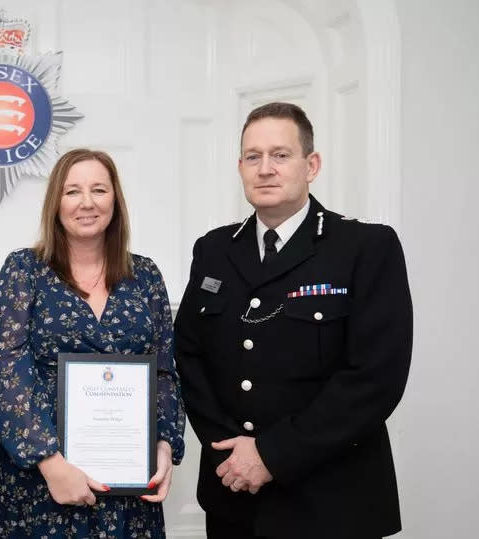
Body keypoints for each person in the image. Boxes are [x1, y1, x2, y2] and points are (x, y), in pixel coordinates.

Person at [174, 102, 413, 539]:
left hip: (332, 502)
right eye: (253, 156)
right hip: (234, 498)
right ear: (241, 167)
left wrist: (270, 454)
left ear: (311, 164)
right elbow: (189, 357)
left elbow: (375, 378)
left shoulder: (364, 247)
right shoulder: (213, 250)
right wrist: (235, 454)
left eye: (280, 155)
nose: (265, 168)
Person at [0, 149, 186, 537]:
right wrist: (51, 464)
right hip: (43, 484)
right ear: (55, 203)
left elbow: (164, 371)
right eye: (72, 191)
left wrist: (164, 446)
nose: (87, 203)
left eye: (99, 189)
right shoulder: (23, 269)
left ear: (115, 199)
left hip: (129, 489)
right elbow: (8, 370)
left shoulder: (145, 275)